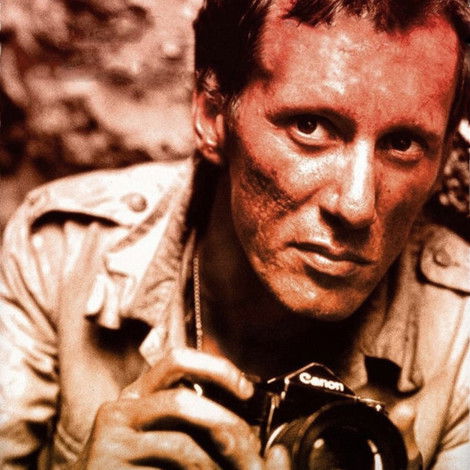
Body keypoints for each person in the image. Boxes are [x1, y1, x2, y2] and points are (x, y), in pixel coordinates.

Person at [1, 0, 469, 468]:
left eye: (403, 144)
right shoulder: (63, 251)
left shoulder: (461, 339)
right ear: (212, 115)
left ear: (445, 155)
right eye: (310, 127)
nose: (356, 206)